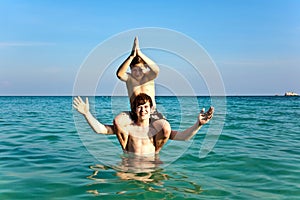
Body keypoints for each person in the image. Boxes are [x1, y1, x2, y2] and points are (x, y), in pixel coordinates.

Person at [73, 93, 214, 156]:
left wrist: (198, 124)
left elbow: (184, 137)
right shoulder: (128, 129)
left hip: (152, 166)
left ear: (151, 109)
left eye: (146, 107)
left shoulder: (155, 130)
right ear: (134, 110)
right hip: (129, 166)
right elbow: (100, 129)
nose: (143, 110)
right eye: (139, 107)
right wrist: (87, 113)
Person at [115, 36, 170, 152]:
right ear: (130, 69)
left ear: (145, 68)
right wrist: (131, 56)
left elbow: (156, 70)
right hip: (135, 112)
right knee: (117, 122)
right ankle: (126, 150)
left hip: (151, 112)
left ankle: (156, 151)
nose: (137, 72)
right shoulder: (129, 79)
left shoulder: (149, 77)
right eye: (134, 69)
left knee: (165, 129)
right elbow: (119, 74)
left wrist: (139, 53)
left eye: (140, 69)